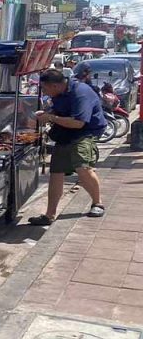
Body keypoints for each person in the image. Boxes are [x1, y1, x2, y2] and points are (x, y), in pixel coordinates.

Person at [28, 69, 107, 226]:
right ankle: (49, 215)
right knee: (56, 172)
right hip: (65, 133)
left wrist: (51, 117)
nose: (44, 92)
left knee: (82, 167)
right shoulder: (58, 93)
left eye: (44, 88)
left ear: (55, 86)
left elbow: (78, 123)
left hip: (85, 132)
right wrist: (47, 113)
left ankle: (97, 203)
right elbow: (60, 111)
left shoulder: (80, 93)